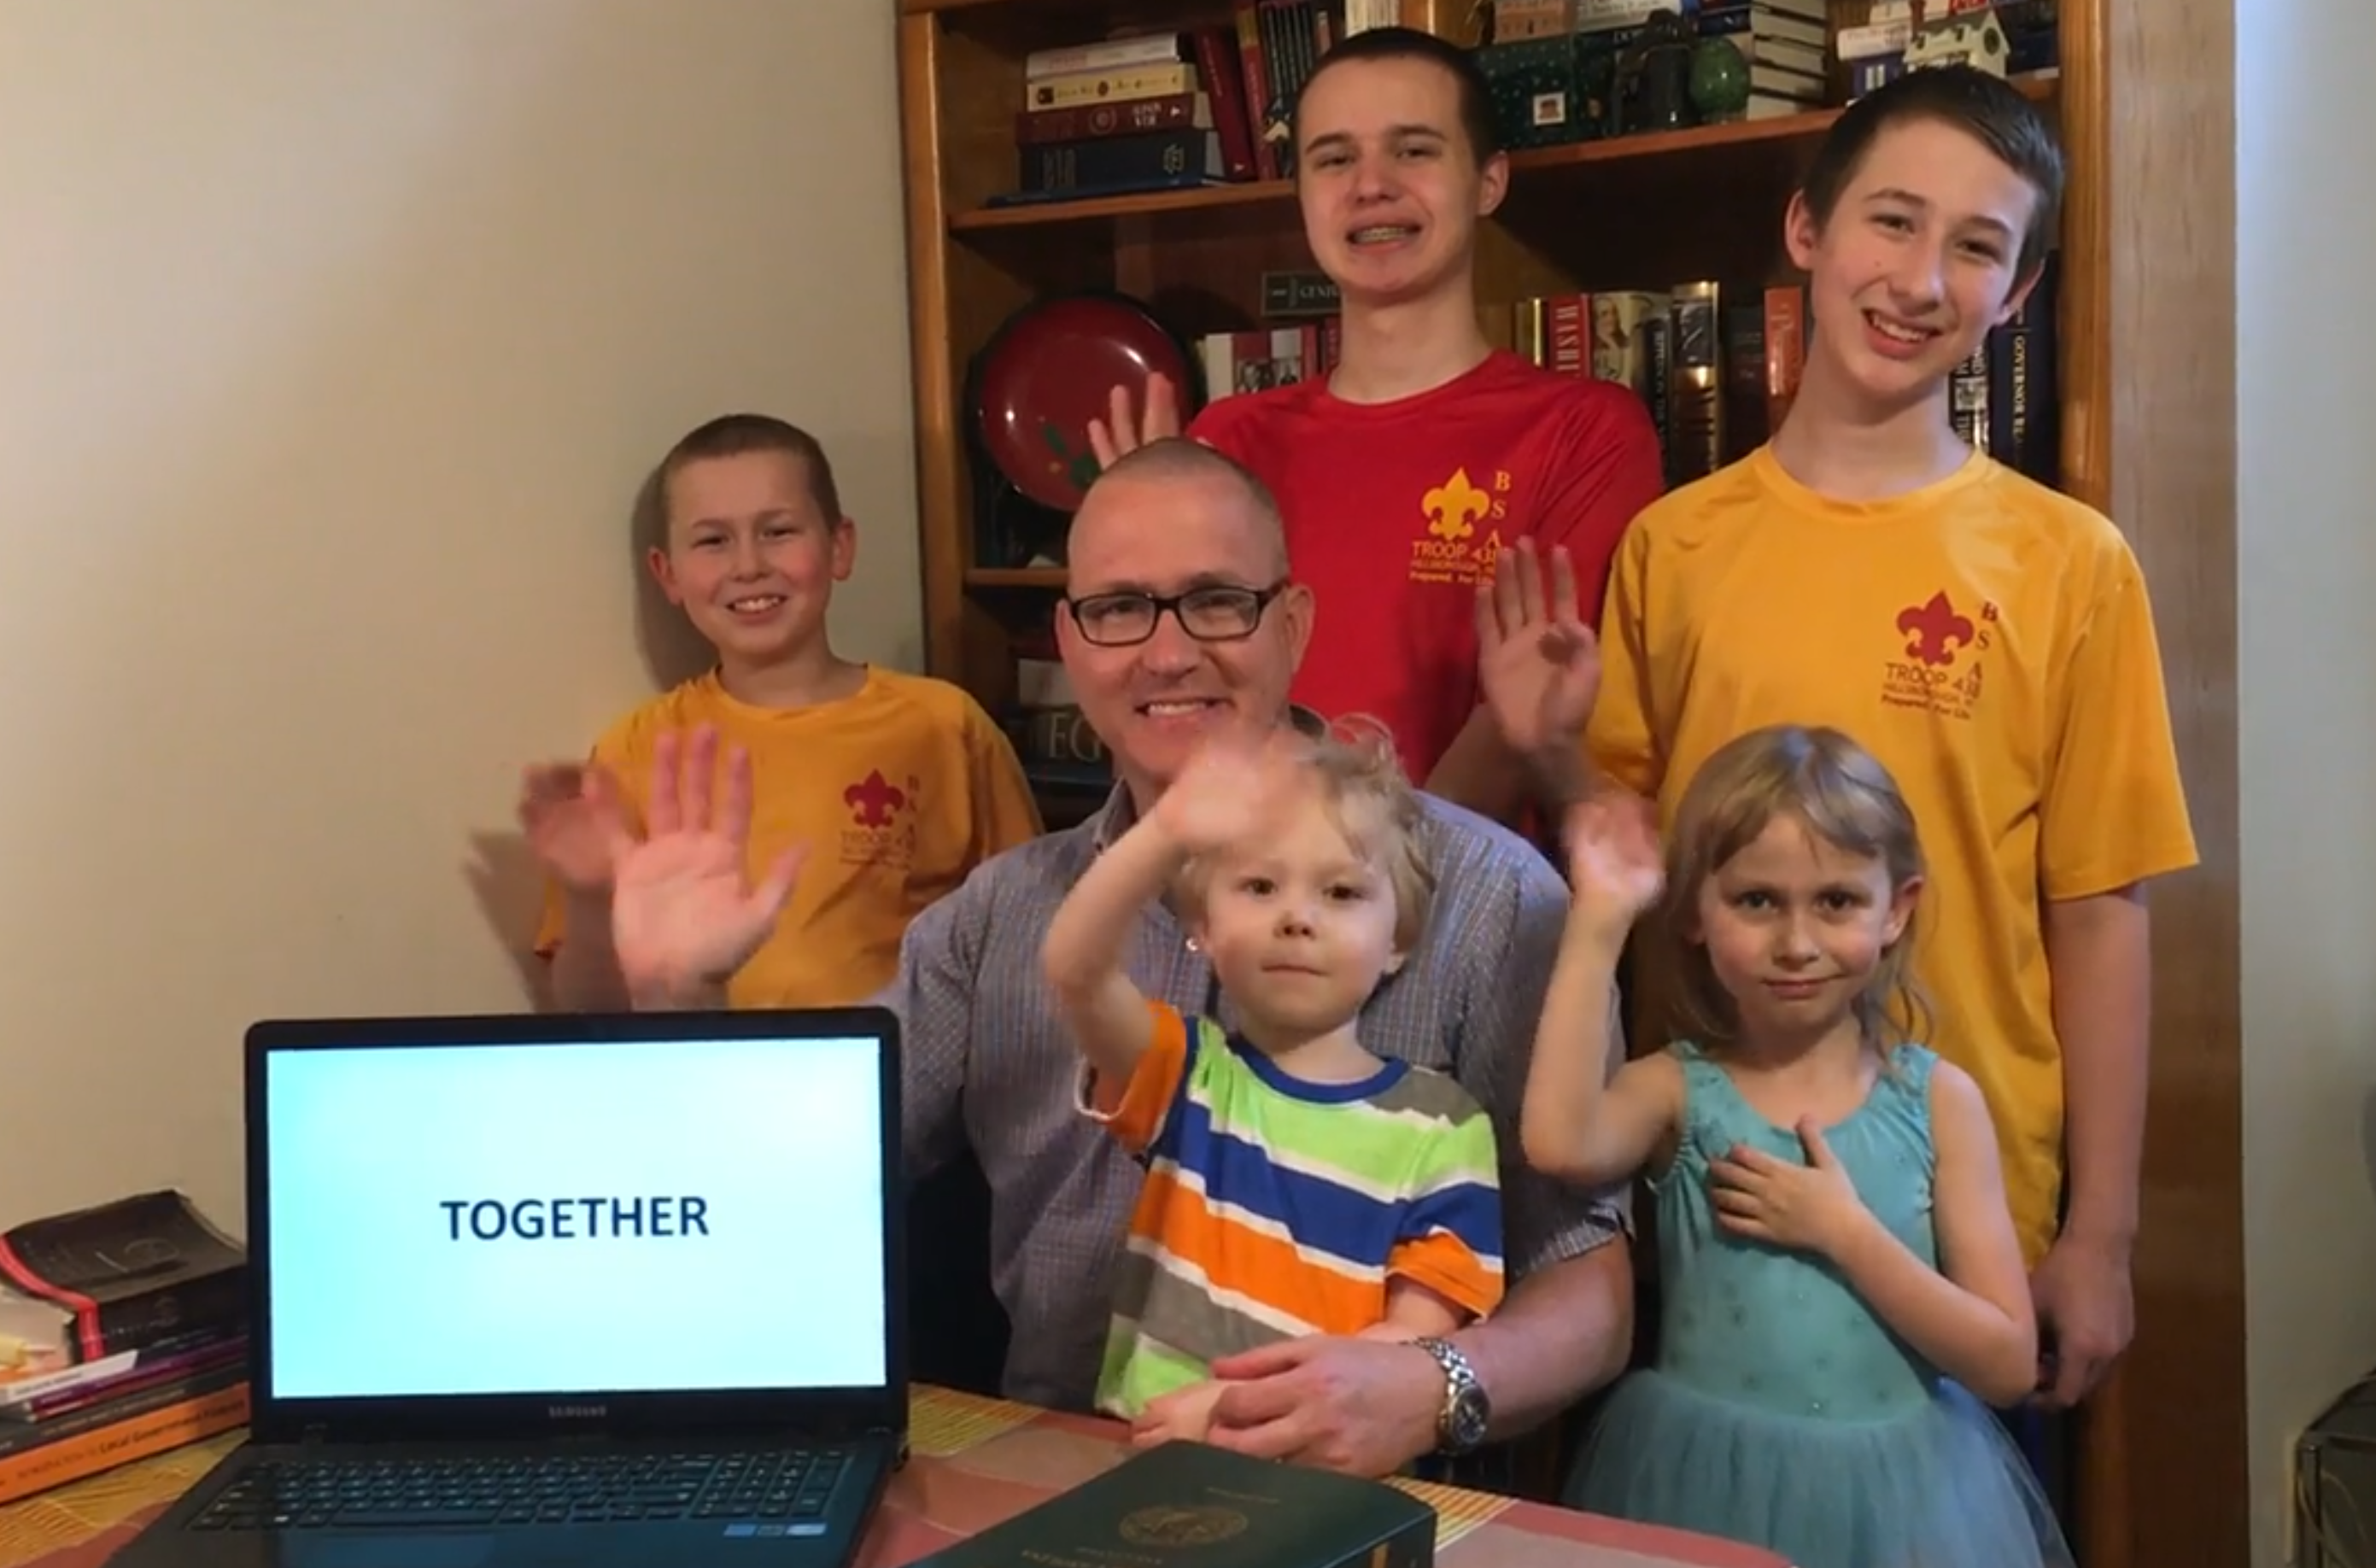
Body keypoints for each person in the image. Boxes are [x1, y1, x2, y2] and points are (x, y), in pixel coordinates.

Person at [565, 436, 1633, 1481]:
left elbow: (1588, 1290)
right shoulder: (1000, 912)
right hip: (1048, 1476)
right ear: (1070, 644)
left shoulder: (1489, 897)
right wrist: (681, 996)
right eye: (1119, 610)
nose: (1167, 655)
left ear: (1293, 621)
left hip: (1358, 1501)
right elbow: (795, 1179)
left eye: (1217, 600)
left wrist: (1429, 1384)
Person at [1577, 64, 2197, 1411]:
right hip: (1711, 1194)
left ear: (2018, 293)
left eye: (1977, 246)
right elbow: (1620, 866)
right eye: (1892, 221)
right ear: (1806, 230)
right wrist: (1532, 745)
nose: (1920, 279)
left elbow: (2099, 914)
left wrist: (2099, 1234)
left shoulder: (2068, 565)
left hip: (1965, 1217)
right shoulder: (1670, 550)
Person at [1526, 723, 2072, 1568]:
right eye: (1756, 901)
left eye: (1836, 901)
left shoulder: (1936, 1101)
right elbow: (1560, 1143)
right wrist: (1599, 921)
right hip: (1701, 1492)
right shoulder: (1675, 1089)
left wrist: (1844, 1234)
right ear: (1697, 913)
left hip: (1906, 1510)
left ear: (1897, 908)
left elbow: (2004, 1363)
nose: (1796, 942)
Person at [1088, 26, 1665, 825]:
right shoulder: (1225, 439)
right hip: (1240, 911)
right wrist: (1138, 568)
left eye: (1414, 151)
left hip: (1462, 914)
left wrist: (1351, 898)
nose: (1370, 187)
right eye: (1333, 159)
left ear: (1489, 180)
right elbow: (1168, 722)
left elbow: (1523, 722)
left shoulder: (1583, 430)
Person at [1043, 721, 1504, 1447]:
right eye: (1259, 886)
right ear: (1203, 924)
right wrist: (1166, 830)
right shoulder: (1185, 1075)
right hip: (1148, 1457)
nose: (1296, 917)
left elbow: (1414, 1343)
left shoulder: (1444, 1128)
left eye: (1343, 892)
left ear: (1400, 940)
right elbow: (1074, 968)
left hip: (1324, 1475)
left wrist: (1232, 1411)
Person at [521, 413, 1042, 1009]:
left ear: (839, 547)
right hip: (706, 1081)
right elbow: (590, 1013)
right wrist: (589, 905)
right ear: (668, 574)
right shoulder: (638, 750)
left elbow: (1025, 945)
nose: (748, 566)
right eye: (713, 540)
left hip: (900, 1085)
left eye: (778, 531)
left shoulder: (943, 726)